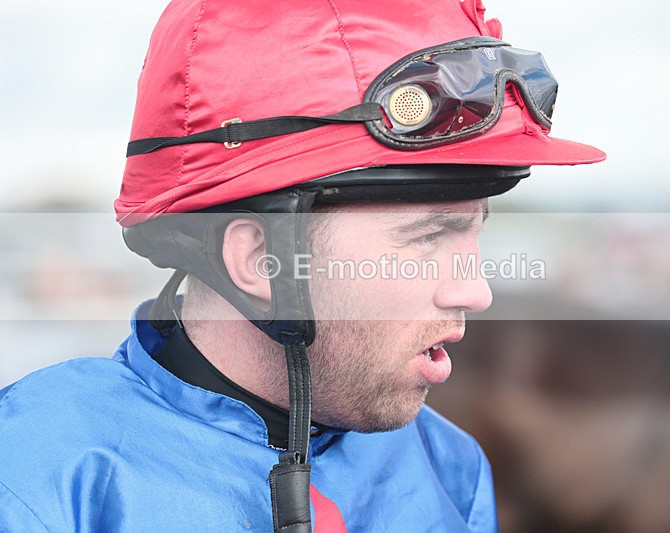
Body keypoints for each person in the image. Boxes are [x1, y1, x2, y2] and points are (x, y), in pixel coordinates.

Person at [0, 0, 603, 531]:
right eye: (427, 238)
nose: (477, 293)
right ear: (261, 260)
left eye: (475, 233)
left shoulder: (453, 468)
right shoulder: (34, 477)